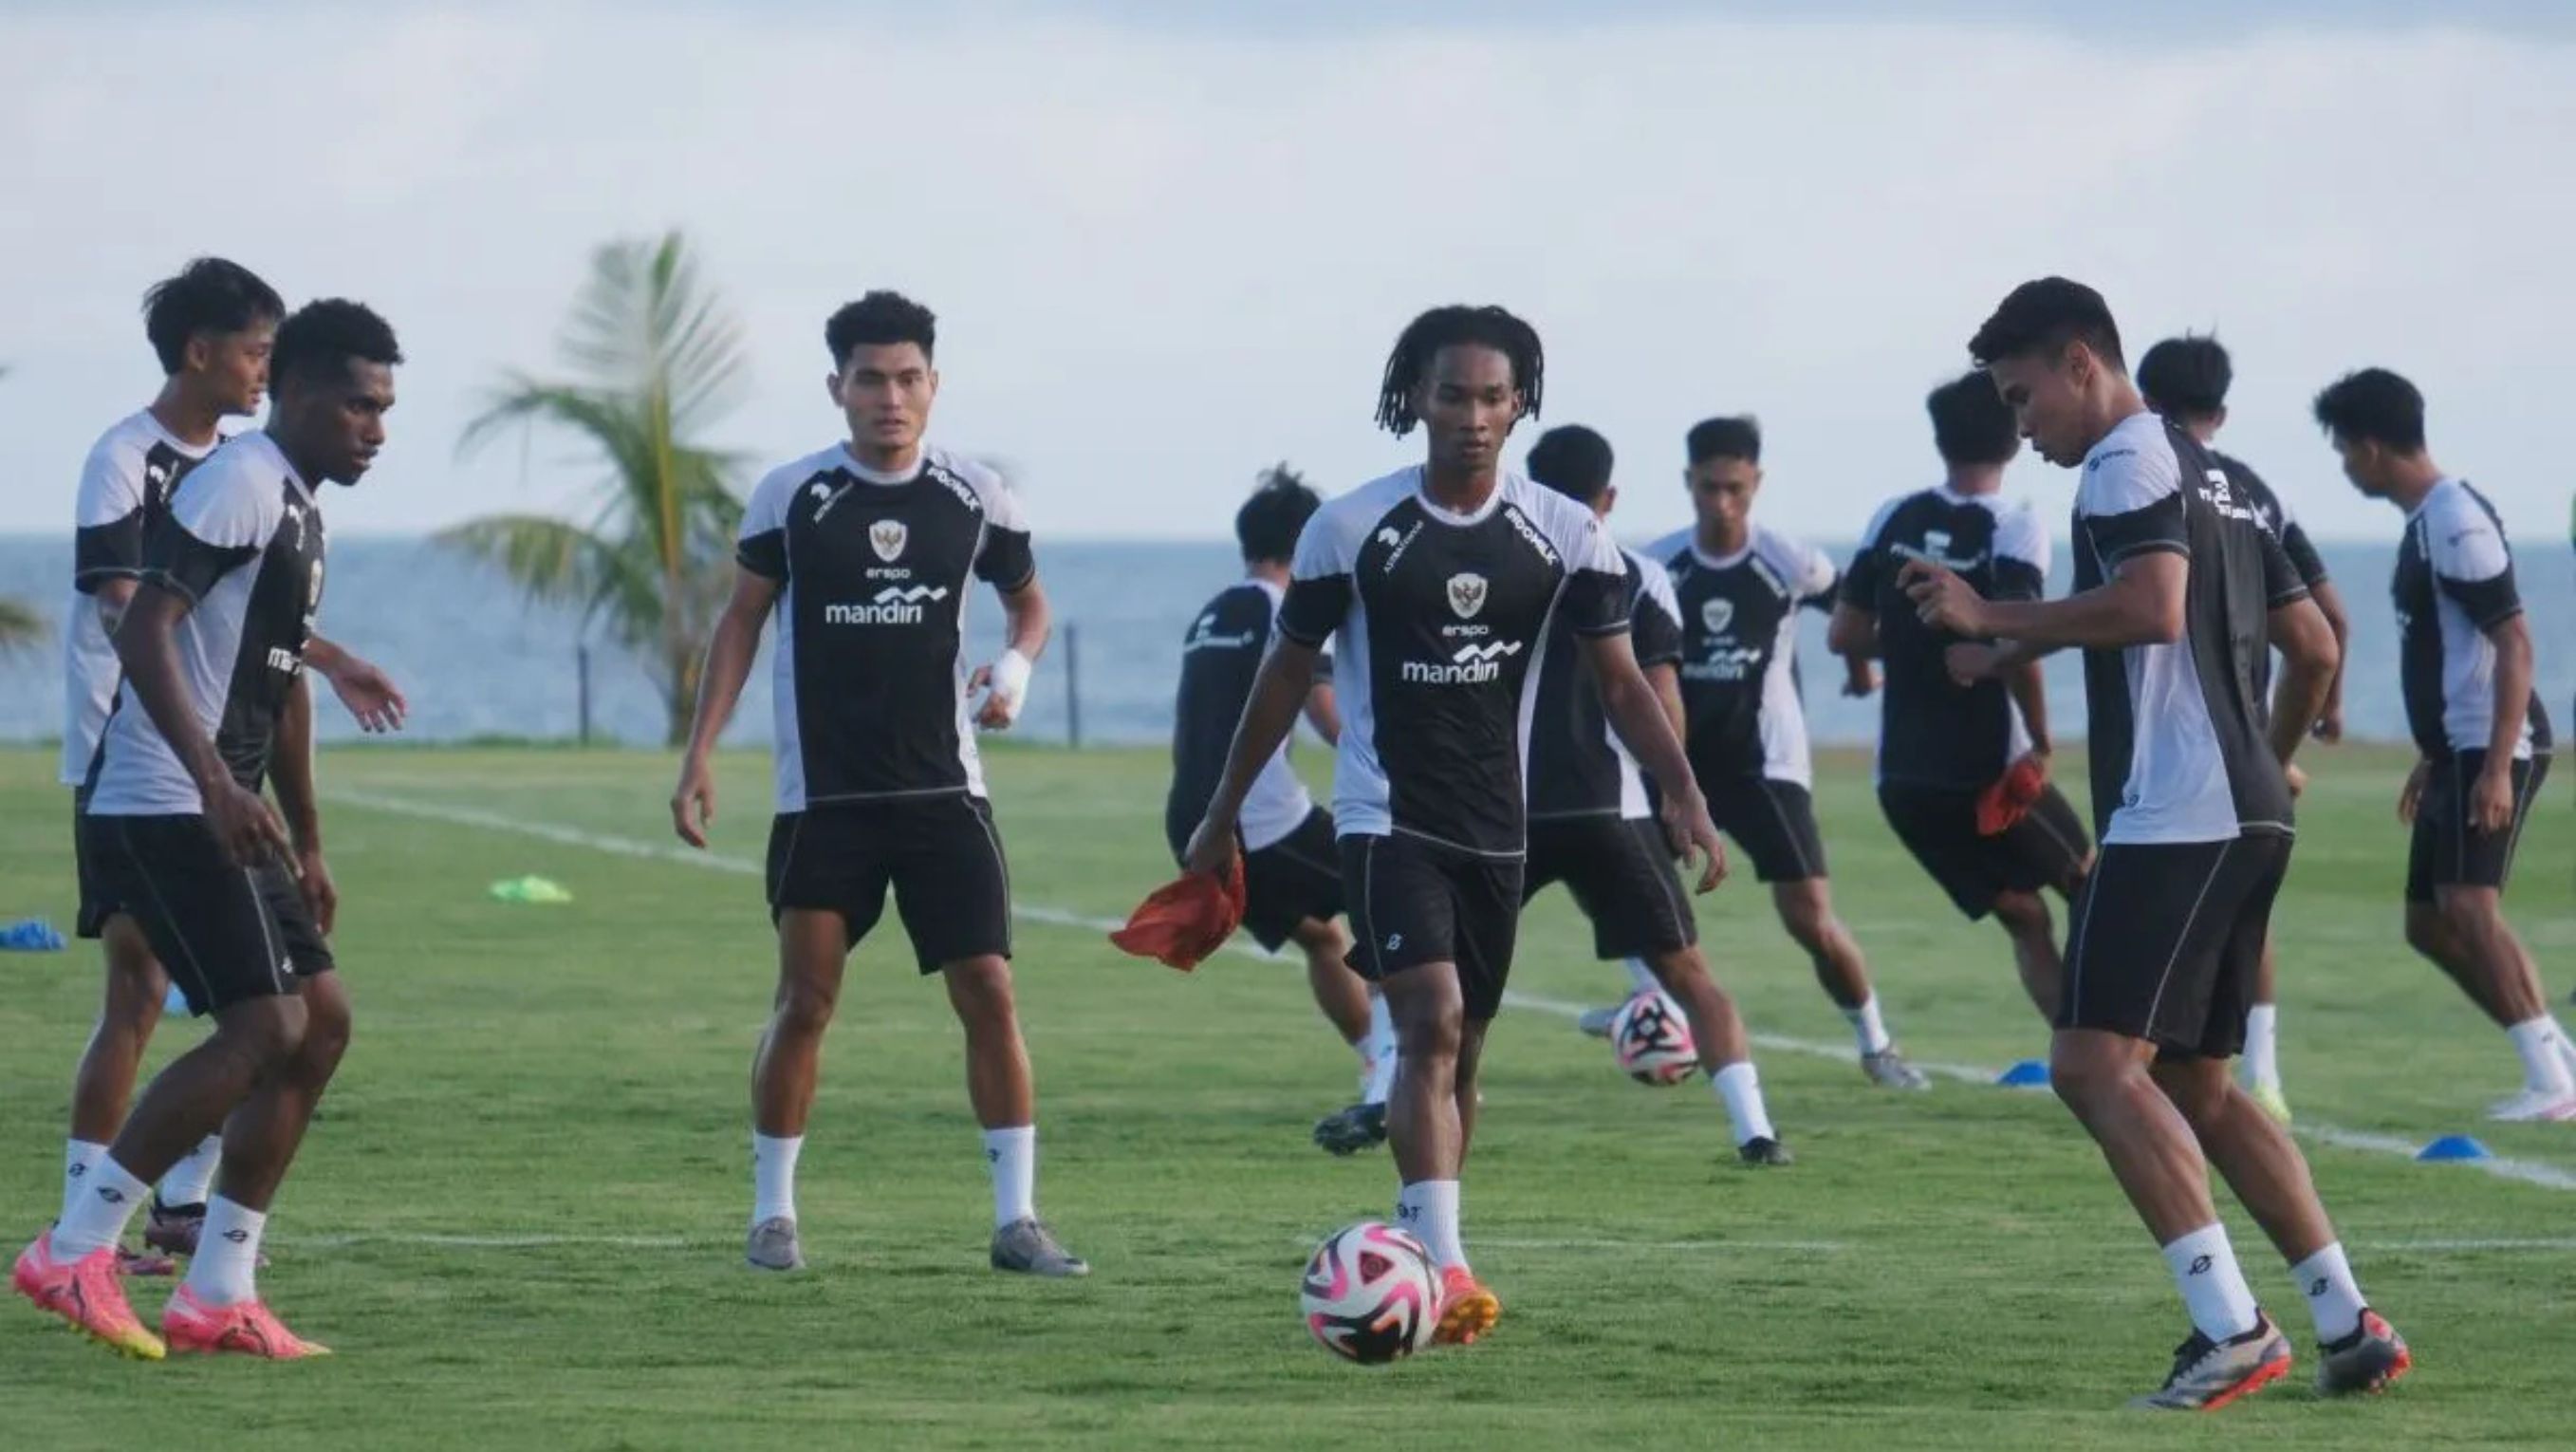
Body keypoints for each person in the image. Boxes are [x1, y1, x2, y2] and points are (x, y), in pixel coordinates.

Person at [1180, 306, 1725, 1347]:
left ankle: (1420, 1238)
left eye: (1492, 395)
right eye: (1451, 394)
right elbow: (1285, 675)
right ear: (1413, 399)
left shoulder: (1564, 533)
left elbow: (1621, 682)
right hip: (1387, 820)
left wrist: (1683, 792)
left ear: (1520, 402)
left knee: (1465, 1054)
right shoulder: (1351, 528)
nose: (1472, 416)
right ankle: (1450, 1265)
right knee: (1426, 1019)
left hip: (1498, 830)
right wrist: (1220, 814)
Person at [1912, 277, 2407, 1407]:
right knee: (2201, 1086)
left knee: (2091, 1066)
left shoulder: (2127, 460)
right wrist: (2269, 759)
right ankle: (2349, 1323)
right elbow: (2316, 646)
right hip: (2244, 810)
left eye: (2022, 393)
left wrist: (1991, 618)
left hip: (2178, 811)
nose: (2020, 422)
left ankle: (2230, 1327)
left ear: (2081, 360)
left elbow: (2151, 609)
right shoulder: (2227, 477)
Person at [15, 298, 404, 1360]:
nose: (376, 427)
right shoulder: (237, 482)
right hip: (162, 796)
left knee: (319, 1024)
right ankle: (73, 1249)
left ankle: (217, 1288)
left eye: (387, 410)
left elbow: (276, 688)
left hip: (224, 802)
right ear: (299, 394)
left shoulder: (297, 507)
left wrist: (310, 841)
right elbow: (143, 623)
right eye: (359, 406)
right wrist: (215, 785)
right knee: (261, 1028)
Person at [671, 290, 1085, 1278]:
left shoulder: (975, 496)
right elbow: (741, 623)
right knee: (805, 1002)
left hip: (946, 797)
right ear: (837, 388)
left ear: (932, 386)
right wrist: (699, 754)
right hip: (827, 801)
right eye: (869, 379)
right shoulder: (794, 495)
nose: (889, 398)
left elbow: (1029, 608)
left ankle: (1017, 1221)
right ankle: (773, 1216)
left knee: (989, 991)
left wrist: (1016, 671)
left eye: (907, 379)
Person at [2311, 366, 2572, 1121]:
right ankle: (2557, 1055)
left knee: (2467, 906)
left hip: (2491, 744)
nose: (2343, 467)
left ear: (2369, 447)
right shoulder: (2425, 521)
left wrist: (2494, 767)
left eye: (2341, 451)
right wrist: (2430, 757)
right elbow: (2449, 650)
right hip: (2455, 748)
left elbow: (2512, 643)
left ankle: (2550, 1081)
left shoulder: (2455, 521)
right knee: (2426, 924)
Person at [1522, 424, 1786, 1163]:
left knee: (1447, 974)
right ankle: (1754, 1131)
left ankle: (1398, 1100)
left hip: (1505, 813)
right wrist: (1678, 794)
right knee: (1690, 974)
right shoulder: (1638, 575)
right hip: (1615, 809)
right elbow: (1661, 697)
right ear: (1607, 497)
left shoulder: (1495, 566)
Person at [1647, 417, 1929, 1089]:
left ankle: (1876, 1044)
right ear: (1688, 482)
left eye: (1735, 489)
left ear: (1756, 483)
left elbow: (1855, 614)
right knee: (1635, 898)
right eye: (1709, 487)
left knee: (1808, 918)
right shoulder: (1659, 565)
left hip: (1764, 763)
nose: (1721, 503)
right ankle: (1649, 1005)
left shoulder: (1787, 560)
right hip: (1677, 763)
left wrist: (1862, 670)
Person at [1828, 374, 2091, 1023]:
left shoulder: (1893, 515)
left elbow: (1845, 633)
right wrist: (2040, 735)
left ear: (1939, 439)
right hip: (1987, 771)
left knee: (2025, 919)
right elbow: (2017, 634)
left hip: (1905, 782)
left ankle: (2079, 1054)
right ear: (2012, 435)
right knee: (2088, 885)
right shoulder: (2013, 525)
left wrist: (1906, 656)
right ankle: (2120, 1055)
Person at [2139, 334, 2351, 1125]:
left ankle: (2166, 1072)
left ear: (2143, 401)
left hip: (2178, 748)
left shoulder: (2145, 476)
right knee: (2244, 915)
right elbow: (2329, 623)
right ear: (2220, 411)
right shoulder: (2254, 490)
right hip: (2249, 734)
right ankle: (2257, 1074)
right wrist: (2298, 733)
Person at [1162, 465, 1398, 1155]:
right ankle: (1393, 1086)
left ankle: (1374, 1060)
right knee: (1388, 907)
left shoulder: (1215, 611)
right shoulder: (1285, 609)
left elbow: (1195, 721)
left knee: (1324, 939)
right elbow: (1327, 718)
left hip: (1190, 817)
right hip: (1259, 820)